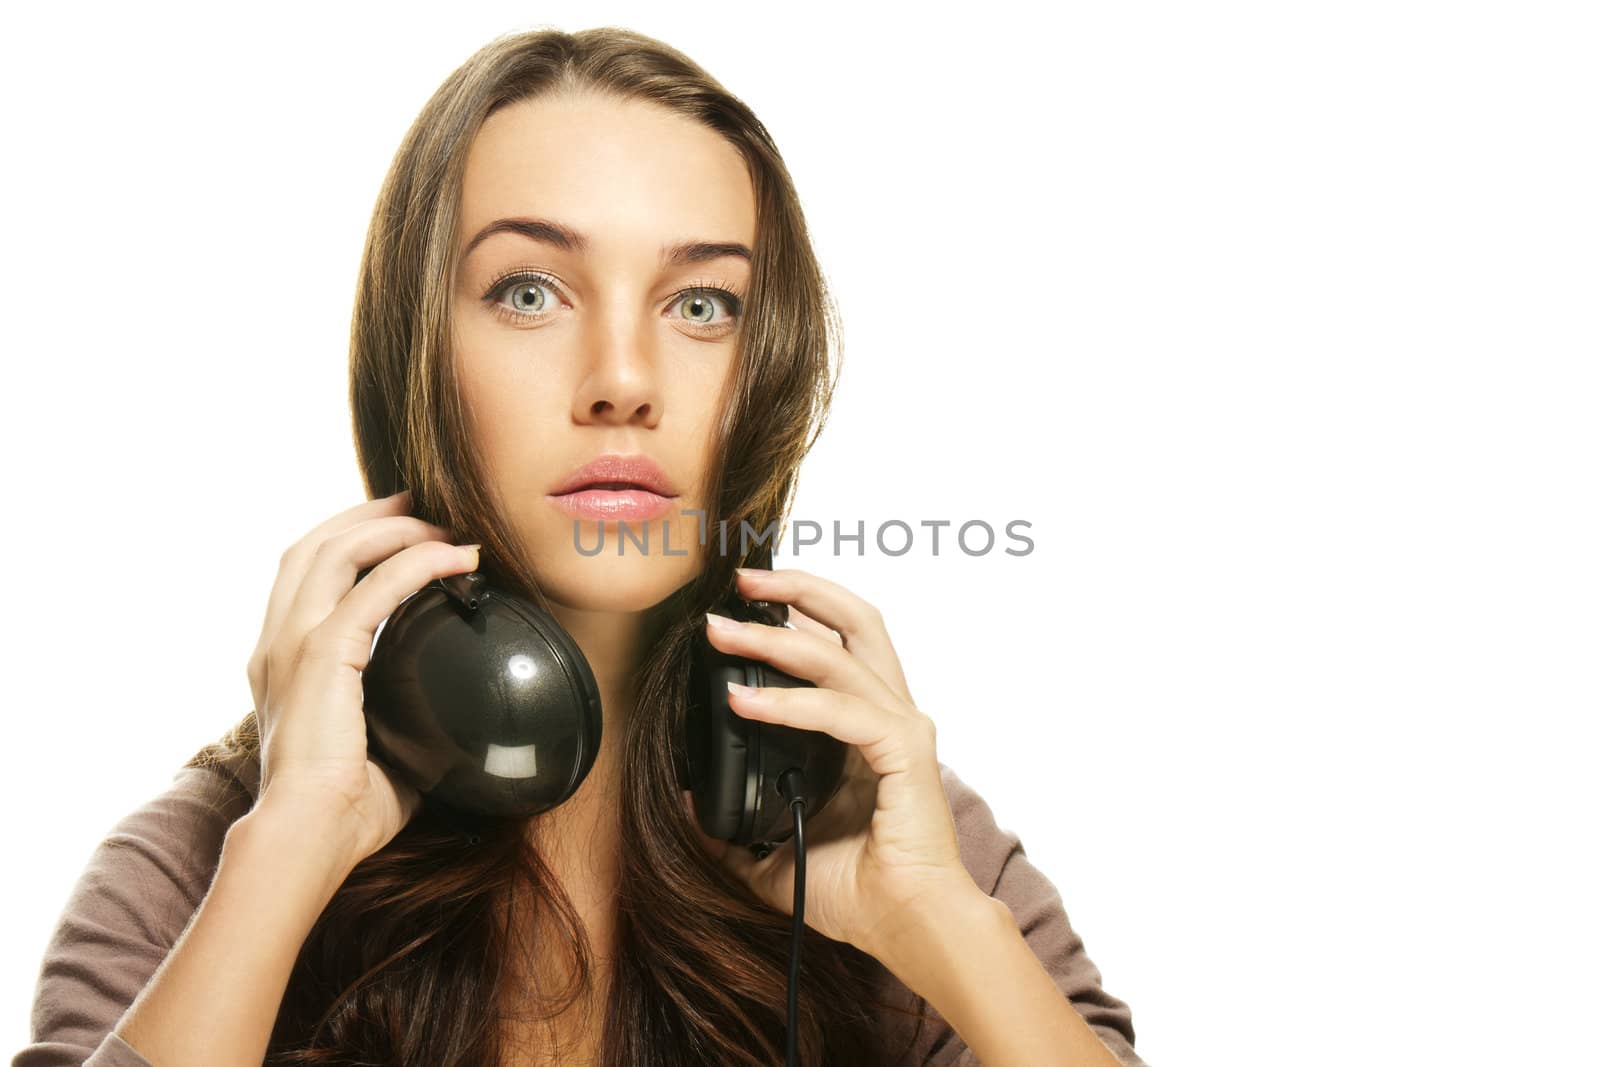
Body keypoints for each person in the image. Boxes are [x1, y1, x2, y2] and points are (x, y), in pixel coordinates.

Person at [14, 26, 1145, 1067]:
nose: (622, 382)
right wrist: (284, 856)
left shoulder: (884, 822)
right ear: (416, 346)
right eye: (528, 290)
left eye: (701, 305)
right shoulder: (205, 864)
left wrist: (936, 919)